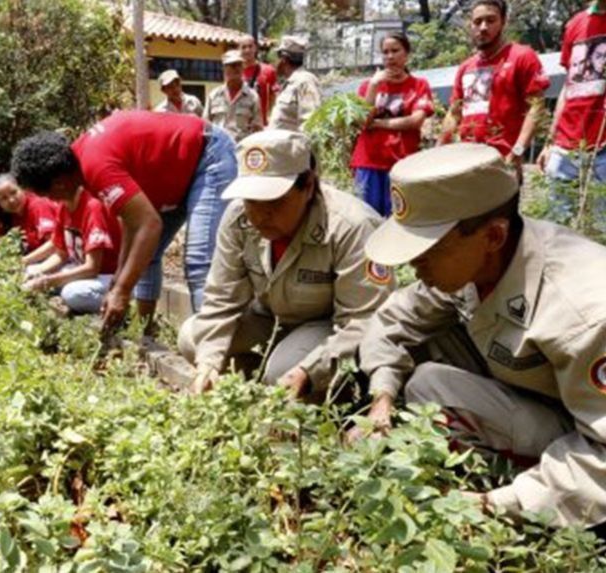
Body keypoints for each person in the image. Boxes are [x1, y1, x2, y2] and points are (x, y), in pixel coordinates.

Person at [353, 142, 606, 529]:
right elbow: (393, 322)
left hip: (588, 439)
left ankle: (530, 506)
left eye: (427, 250)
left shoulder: (583, 312)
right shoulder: (474, 264)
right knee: (426, 380)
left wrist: (496, 505)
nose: (414, 263)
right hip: (552, 408)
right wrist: (381, 399)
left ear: (493, 236)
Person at [179, 130, 394, 400]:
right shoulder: (238, 218)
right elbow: (221, 299)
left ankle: (316, 392)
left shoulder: (352, 226)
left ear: (308, 186)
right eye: (251, 201)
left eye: (274, 202)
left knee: (284, 369)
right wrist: (208, 365)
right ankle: (258, 391)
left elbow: (364, 320)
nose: (260, 215)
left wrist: (310, 369)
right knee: (193, 338)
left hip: (327, 328)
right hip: (270, 319)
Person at [11, 110, 237, 329]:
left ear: (58, 183)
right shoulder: (82, 163)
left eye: (47, 194)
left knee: (200, 261)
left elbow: (149, 225)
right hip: (176, 173)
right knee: (146, 256)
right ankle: (146, 330)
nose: (52, 201)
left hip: (207, 155)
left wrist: (122, 291)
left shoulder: (95, 167)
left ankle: (212, 345)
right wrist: (118, 279)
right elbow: (131, 222)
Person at [439, 0, 549, 174]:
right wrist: (437, 151)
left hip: (503, 162)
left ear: (503, 22)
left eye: (490, 20)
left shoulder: (522, 56)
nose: (483, 27)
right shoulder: (465, 67)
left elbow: (536, 106)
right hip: (465, 162)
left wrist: (517, 151)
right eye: (477, 22)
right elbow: (453, 113)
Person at [350, 32, 435, 217]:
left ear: (406, 54)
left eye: (395, 51)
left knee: (399, 219)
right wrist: (374, 86)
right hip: (368, 163)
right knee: (366, 219)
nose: (390, 56)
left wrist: (378, 123)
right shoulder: (368, 86)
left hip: (402, 164)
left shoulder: (419, 85)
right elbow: (363, 121)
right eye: (385, 52)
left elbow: (415, 121)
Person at [537, 0, 606, 186]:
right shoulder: (575, 24)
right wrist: (550, 142)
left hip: (603, 150)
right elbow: (568, 87)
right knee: (554, 205)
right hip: (564, 149)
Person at [23, 186, 121, 315]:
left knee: (72, 293)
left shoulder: (92, 207)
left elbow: (92, 268)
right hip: (81, 269)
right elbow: (61, 254)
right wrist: (38, 272)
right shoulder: (63, 206)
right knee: (31, 271)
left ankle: (119, 305)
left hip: (107, 275)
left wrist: (48, 281)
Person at [204, 50, 263, 142]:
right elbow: (206, 125)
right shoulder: (214, 95)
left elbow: (257, 128)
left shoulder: (252, 97)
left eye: (239, 65)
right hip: (218, 146)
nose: (236, 68)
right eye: (232, 65)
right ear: (224, 68)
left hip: (242, 146)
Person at [0, 173, 57, 253]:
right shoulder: (10, 216)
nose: (11, 200)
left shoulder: (39, 206)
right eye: (4, 198)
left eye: (14, 192)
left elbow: (54, 244)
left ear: (22, 188)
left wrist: (25, 259)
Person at [269, 36, 322, 132]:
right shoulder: (290, 83)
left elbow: (310, 121)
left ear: (283, 59)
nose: (275, 62)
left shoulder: (305, 81)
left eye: (277, 58)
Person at [239, 34, 278, 125]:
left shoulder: (268, 71)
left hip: (262, 125)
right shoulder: (235, 73)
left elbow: (274, 96)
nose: (247, 50)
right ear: (239, 50)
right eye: (243, 47)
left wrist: (270, 117)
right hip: (241, 126)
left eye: (250, 46)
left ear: (255, 48)